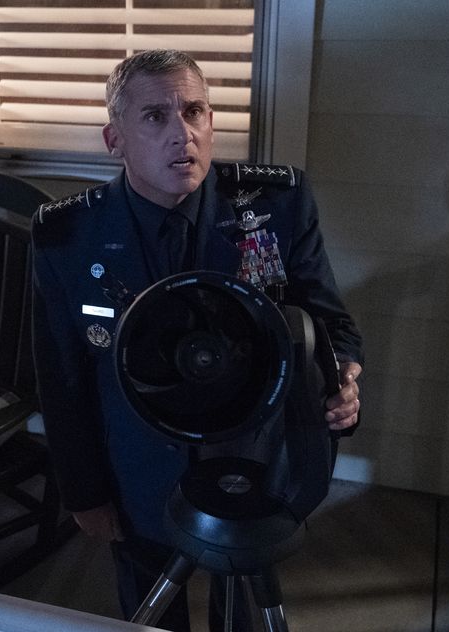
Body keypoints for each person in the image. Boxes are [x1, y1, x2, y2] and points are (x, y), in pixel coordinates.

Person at [31, 49, 364, 631]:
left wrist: (343, 377)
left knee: (243, 604)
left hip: (252, 451)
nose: (181, 133)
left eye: (193, 111)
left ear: (211, 121)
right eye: (154, 116)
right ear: (114, 139)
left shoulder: (276, 205)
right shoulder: (68, 233)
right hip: (135, 462)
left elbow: (330, 324)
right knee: (149, 601)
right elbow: (61, 375)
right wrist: (83, 491)